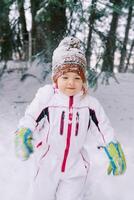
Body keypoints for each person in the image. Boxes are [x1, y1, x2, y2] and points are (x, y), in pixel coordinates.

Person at [15, 36, 126, 200]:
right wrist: (23, 132)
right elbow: (31, 117)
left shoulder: (90, 105)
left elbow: (103, 128)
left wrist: (112, 147)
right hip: (47, 163)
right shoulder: (47, 98)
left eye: (77, 78)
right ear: (56, 78)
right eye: (65, 77)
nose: (71, 83)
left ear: (83, 80)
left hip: (76, 166)